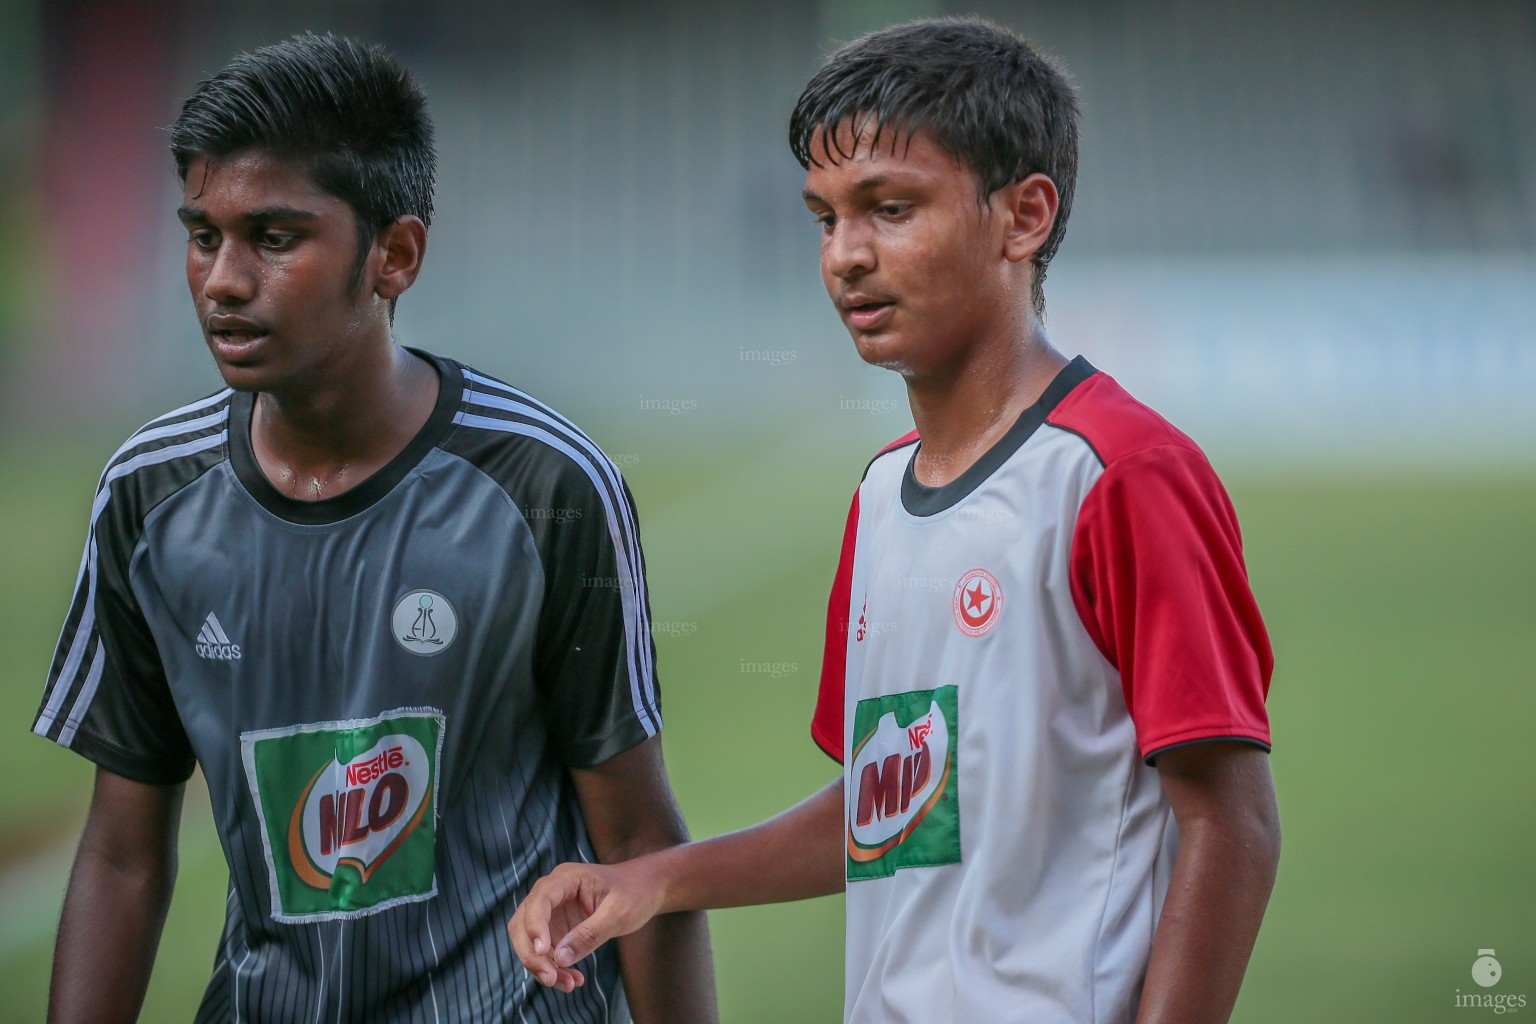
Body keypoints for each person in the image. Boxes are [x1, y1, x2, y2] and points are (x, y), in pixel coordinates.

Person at [509, 16, 1280, 1024]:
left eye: (890, 209)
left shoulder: (1121, 473)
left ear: (1025, 217)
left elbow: (1231, 822)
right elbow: (892, 812)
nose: (845, 256)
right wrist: (652, 880)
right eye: (825, 217)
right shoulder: (880, 496)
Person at [33, 33, 715, 1024]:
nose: (223, 279)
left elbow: (639, 842)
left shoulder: (544, 485)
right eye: (202, 234)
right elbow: (124, 854)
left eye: (273, 238)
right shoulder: (150, 495)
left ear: (394, 255)